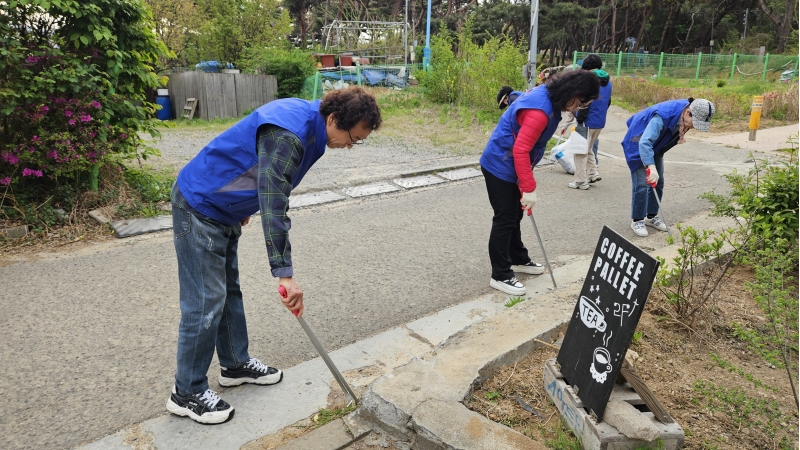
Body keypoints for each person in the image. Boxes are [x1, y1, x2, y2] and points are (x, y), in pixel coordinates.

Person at [166, 87, 382, 424]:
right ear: (334, 119)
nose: (351, 146)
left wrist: (241, 203)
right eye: (353, 137)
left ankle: (235, 364)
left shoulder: (315, 129)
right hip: (200, 203)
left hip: (224, 208)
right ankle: (186, 392)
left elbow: (264, 174)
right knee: (206, 299)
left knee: (227, 292)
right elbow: (274, 200)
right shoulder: (291, 133)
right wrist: (284, 273)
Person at [480, 70, 600, 295]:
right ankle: (500, 274)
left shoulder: (549, 93)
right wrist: (529, 188)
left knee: (515, 214)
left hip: (511, 163)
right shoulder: (540, 111)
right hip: (500, 164)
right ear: (572, 92)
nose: (578, 109)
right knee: (505, 218)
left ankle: (517, 258)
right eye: (581, 103)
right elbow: (521, 149)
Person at [622, 97, 715, 237]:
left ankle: (651, 216)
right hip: (637, 141)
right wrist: (650, 166)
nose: (694, 126)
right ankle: (637, 220)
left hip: (655, 145)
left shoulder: (685, 117)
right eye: (695, 122)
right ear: (688, 112)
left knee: (658, 182)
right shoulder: (663, 116)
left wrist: (654, 164)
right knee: (641, 183)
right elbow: (644, 142)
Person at [571, 55, 612, 189]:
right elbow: (608, 102)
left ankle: (580, 181)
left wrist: (578, 116)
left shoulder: (589, 80)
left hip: (586, 121)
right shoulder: (608, 81)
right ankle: (593, 173)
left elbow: (583, 101)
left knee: (580, 151)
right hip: (600, 121)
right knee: (588, 148)